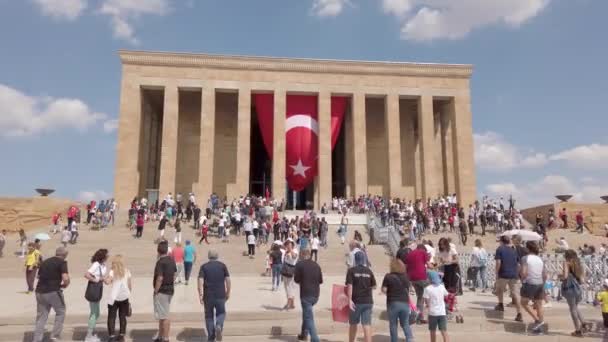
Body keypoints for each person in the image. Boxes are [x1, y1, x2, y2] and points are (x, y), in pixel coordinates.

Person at [33, 247, 70, 342]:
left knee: (41, 316)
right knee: (61, 311)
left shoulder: (45, 262)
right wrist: (65, 284)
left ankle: (37, 339)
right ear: (65, 255)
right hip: (53, 291)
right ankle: (55, 336)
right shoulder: (62, 262)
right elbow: (65, 278)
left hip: (39, 291)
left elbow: (38, 276)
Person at [198, 250, 231, 342]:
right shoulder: (222, 266)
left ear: (209, 256)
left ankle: (211, 337)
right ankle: (219, 325)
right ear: (217, 256)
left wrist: (200, 294)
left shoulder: (204, 267)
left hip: (208, 295)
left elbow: (200, 280)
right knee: (221, 313)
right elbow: (228, 280)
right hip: (220, 294)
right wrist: (228, 292)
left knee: (209, 316)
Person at [346, 252, 376, 342]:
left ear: (355, 259)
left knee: (353, 324)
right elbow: (374, 286)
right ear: (364, 259)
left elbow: (350, 286)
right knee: (366, 324)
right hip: (368, 301)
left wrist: (349, 300)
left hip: (356, 301)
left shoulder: (351, 271)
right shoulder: (369, 271)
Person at [294, 249, 323, 342]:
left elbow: (296, 280)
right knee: (306, 314)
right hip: (316, 294)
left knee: (308, 317)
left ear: (302, 255)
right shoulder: (316, 265)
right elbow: (320, 281)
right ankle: (304, 334)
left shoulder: (299, 265)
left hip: (306, 294)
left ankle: (315, 339)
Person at [381, 258, 413, 342]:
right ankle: (410, 339)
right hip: (405, 303)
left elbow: (384, 290)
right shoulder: (406, 277)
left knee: (393, 324)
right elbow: (409, 289)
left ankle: (394, 340)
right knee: (405, 323)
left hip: (393, 302)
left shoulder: (388, 276)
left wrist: (388, 292)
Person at [561, 249, 591, 337]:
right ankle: (584, 324)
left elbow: (565, 276)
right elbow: (582, 279)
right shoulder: (578, 263)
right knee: (575, 307)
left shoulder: (566, 263)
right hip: (578, 288)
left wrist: (561, 276)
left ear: (567, 256)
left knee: (572, 309)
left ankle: (578, 330)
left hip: (570, 289)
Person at [519, 241, 546, 334]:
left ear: (527, 248)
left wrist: (522, 279)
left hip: (529, 283)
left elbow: (524, 272)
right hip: (540, 283)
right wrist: (543, 284)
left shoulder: (525, 258)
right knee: (539, 305)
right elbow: (544, 274)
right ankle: (540, 327)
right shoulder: (540, 259)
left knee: (524, 302)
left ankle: (537, 320)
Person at [494, 235, 522, 322]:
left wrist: (496, 273)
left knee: (499, 290)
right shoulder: (514, 250)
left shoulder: (500, 249)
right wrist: (517, 273)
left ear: (502, 241)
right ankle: (519, 313)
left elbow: (498, 262)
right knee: (516, 294)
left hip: (503, 273)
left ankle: (501, 304)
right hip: (514, 275)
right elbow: (518, 265)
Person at [153, 241, 177, 342]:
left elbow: (160, 278)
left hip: (162, 291)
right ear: (167, 250)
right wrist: (170, 282)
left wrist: (155, 290)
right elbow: (175, 274)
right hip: (170, 290)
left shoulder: (160, 262)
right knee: (162, 315)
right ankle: (160, 336)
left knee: (165, 315)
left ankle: (165, 338)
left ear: (158, 250)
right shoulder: (171, 260)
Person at [104, 255, 132, 341]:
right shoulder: (127, 271)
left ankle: (111, 336)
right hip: (124, 297)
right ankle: (121, 335)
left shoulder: (112, 271)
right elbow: (129, 285)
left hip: (114, 297)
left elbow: (107, 282)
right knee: (122, 316)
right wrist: (128, 295)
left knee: (111, 317)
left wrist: (104, 279)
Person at [84, 249, 109, 342]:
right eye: (107, 255)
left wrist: (103, 279)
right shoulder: (96, 264)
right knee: (94, 313)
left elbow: (100, 276)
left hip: (98, 290)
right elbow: (86, 274)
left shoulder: (102, 265)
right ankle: (88, 336)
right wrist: (96, 280)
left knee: (96, 313)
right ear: (103, 256)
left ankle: (90, 333)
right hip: (94, 290)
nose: (108, 256)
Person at [404, 244, 429, 324]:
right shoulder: (423, 252)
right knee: (433, 290)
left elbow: (406, 266)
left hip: (412, 278)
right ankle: (435, 314)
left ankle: (419, 317)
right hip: (421, 276)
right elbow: (429, 265)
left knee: (420, 297)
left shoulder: (409, 254)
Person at [423, 271, 450, 342]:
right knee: (444, 331)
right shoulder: (441, 286)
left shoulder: (427, 288)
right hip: (442, 312)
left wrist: (427, 308)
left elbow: (427, 302)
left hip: (432, 313)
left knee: (432, 331)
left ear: (429, 279)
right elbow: (446, 295)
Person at [282, 239, 298, 310]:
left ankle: (288, 303)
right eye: (287, 244)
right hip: (285, 270)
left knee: (289, 287)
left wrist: (290, 249)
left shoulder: (294, 250)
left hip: (290, 270)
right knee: (288, 287)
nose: (287, 245)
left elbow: (294, 257)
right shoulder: (286, 251)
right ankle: (292, 304)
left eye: (289, 244)